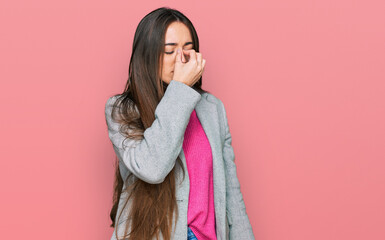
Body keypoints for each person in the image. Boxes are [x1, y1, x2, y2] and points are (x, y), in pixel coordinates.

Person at [104, 7, 255, 240]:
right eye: (169, 50)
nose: (182, 57)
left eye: (188, 48)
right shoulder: (122, 109)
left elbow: (231, 195)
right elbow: (152, 168)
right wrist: (180, 90)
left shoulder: (212, 108)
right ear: (148, 55)